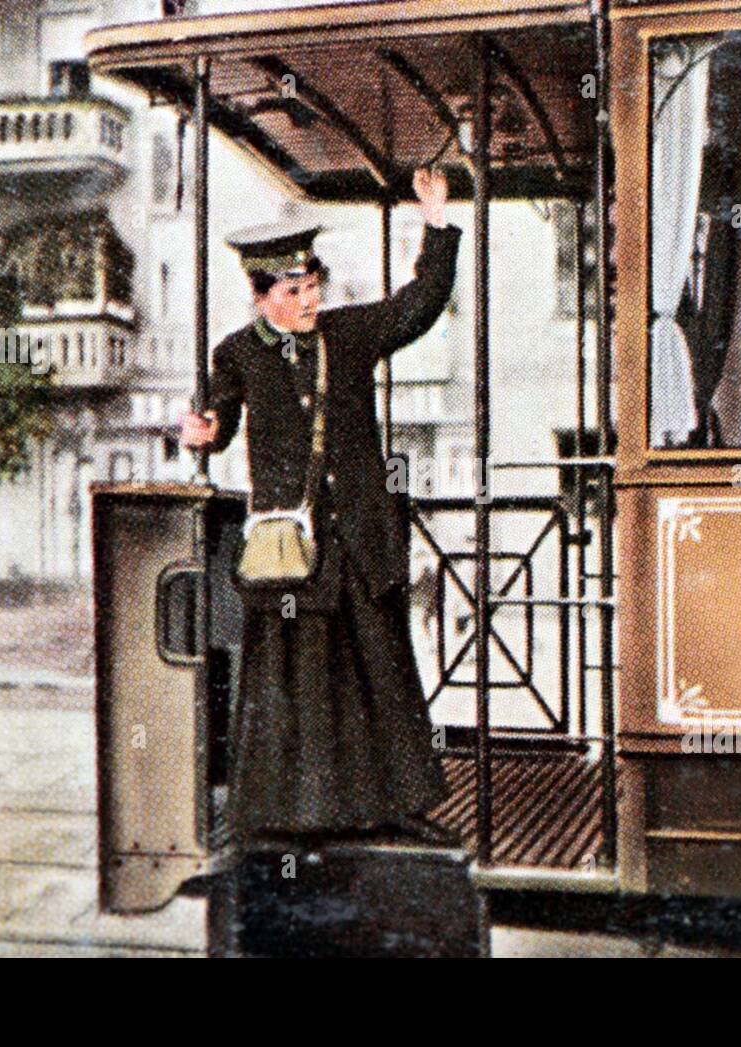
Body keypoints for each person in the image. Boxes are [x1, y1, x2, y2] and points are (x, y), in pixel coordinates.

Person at [180, 168, 460, 845]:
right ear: (262, 296)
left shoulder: (350, 334)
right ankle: (289, 818)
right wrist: (205, 433)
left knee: (382, 672)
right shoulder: (237, 353)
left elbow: (417, 305)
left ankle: (398, 807)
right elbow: (216, 418)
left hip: (361, 537)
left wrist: (436, 224)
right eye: (294, 291)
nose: (309, 300)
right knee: (298, 683)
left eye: (313, 287)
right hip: (292, 549)